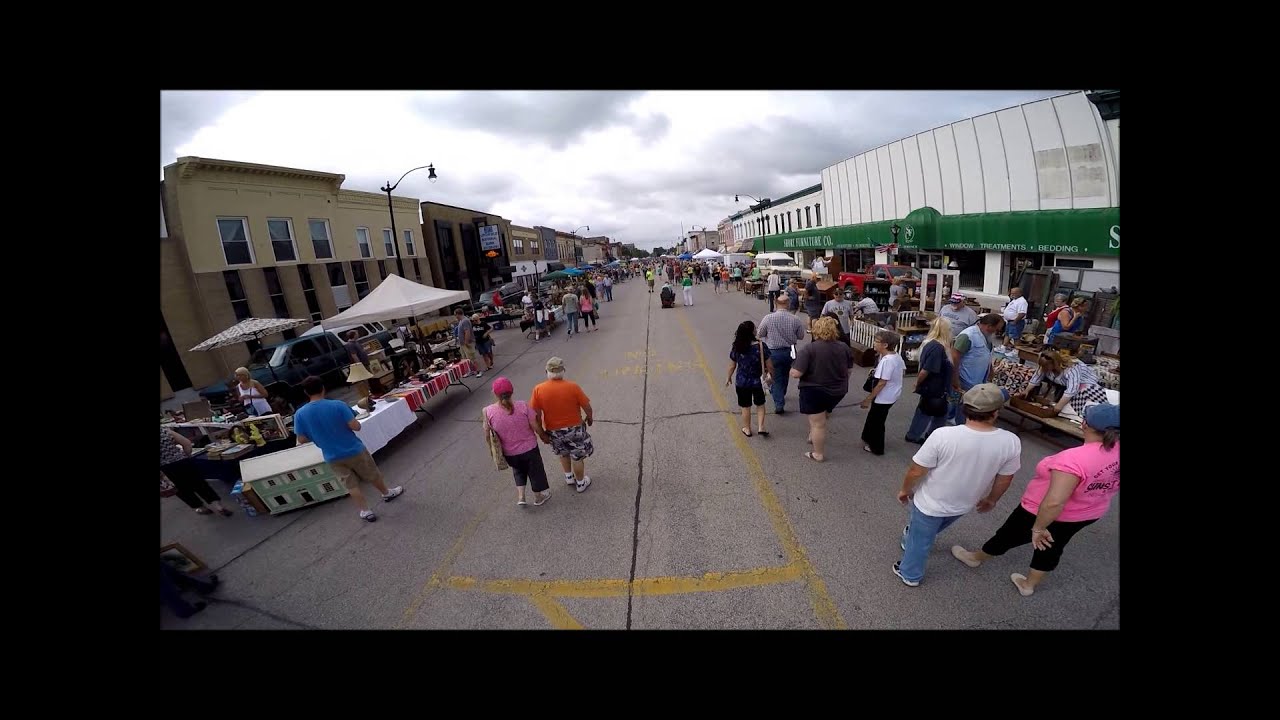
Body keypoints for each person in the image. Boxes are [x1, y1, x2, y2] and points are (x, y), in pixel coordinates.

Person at [951, 404, 1119, 596]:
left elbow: (1055, 501)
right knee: (1053, 546)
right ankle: (1028, 584)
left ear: (1084, 424)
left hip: (1040, 511)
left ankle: (975, 557)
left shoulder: (1074, 459)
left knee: (1009, 535)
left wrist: (1039, 527)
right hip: (1089, 511)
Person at [893, 384, 1022, 587]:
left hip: (930, 502)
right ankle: (913, 534)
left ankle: (910, 574)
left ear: (964, 408)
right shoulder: (1011, 441)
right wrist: (991, 500)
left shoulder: (944, 435)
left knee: (920, 542)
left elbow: (916, 470)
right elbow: (1005, 478)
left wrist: (905, 489)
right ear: (996, 412)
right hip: (964, 503)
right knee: (930, 529)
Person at [293, 375, 404, 522]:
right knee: (372, 474)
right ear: (323, 388)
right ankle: (386, 493)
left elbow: (301, 439)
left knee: (350, 484)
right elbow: (356, 426)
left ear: (306, 393)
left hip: (331, 455)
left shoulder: (300, 414)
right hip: (353, 449)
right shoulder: (337, 405)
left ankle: (365, 511)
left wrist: (316, 435)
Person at [483, 377, 552, 508]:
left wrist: (492, 451)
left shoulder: (488, 411)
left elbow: (487, 434)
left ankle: (521, 496)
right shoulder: (523, 406)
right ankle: (538, 497)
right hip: (530, 449)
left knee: (518, 470)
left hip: (510, 453)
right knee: (535, 471)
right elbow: (536, 426)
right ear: (512, 392)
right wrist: (544, 437)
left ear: (495, 394)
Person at [792, 317, 854, 462]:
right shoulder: (844, 347)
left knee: (818, 424)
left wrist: (791, 370)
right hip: (838, 391)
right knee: (822, 415)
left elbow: (796, 373)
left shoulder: (810, 349)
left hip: (814, 390)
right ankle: (812, 434)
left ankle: (818, 453)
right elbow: (849, 370)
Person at [530, 357, 595, 494]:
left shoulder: (538, 389)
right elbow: (587, 407)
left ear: (546, 371)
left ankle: (569, 477)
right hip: (574, 428)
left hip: (553, 431)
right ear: (563, 371)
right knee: (577, 457)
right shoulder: (573, 387)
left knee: (563, 453)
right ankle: (581, 483)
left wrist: (542, 434)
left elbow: (535, 415)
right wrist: (589, 418)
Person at [161, 427, 233, 517]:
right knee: (200, 484)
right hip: (182, 462)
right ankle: (218, 506)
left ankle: (201, 507)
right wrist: (186, 456)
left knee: (182, 491)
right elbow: (187, 443)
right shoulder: (164, 431)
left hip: (165, 469)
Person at [904, 316, 953, 444]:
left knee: (932, 412)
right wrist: (917, 383)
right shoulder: (938, 348)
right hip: (935, 387)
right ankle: (918, 435)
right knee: (929, 412)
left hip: (933, 386)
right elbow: (927, 369)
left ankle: (925, 434)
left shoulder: (930, 344)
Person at [1019, 349, 1111, 416]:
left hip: (1085, 384)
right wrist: (1026, 390)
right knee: (1059, 401)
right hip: (1064, 383)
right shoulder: (1045, 366)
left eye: (1046, 366)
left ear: (1054, 364)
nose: (1043, 369)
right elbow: (1036, 377)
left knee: (1069, 403)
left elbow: (1071, 390)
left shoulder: (1072, 368)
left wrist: (1057, 408)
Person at [950, 314, 1004, 424]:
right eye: (996, 329)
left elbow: (987, 354)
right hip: (966, 378)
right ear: (989, 326)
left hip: (977, 379)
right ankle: (960, 426)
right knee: (964, 405)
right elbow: (954, 357)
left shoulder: (987, 337)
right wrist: (955, 378)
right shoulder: (968, 336)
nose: (997, 332)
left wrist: (990, 370)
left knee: (963, 404)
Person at [860, 330, 905, 455]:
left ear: (885, 345)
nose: (874, 343)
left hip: (884, 396)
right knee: (874, 417)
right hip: (892, 394)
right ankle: (867, 436)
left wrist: (868, 399)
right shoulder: (896, 357)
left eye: (877, 341)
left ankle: (877, 447)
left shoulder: (887, 361)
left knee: (877, 422)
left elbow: (882, 383)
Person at [758, 300, 808, 415]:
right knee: (785, 374)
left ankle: (779, 403)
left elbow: (760, 333)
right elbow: (801, 336)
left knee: (775, 376)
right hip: (790, 350)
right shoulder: (795, 319)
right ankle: (781, 393)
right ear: (788, 304)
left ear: (776, 304)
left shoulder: (768, 318)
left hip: (773, 351)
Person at [726, 321, 773, 438]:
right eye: (755, 328)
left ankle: (747, 429)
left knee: (745, 406)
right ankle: (761, 427)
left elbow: (732, 365)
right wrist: (772, 375)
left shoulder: (737, 347)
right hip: (758, 382)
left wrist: (728, 377)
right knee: (760, 404)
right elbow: (770, 364)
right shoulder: (761, 346)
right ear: (752, 332)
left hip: (742, 382)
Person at [453, 308, 482, 378]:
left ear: (458, 314)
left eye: (455, 315)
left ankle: (478, 371)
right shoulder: (461, 321)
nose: (455, 316)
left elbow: (467, 332)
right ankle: (471, 370)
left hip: (467, 343)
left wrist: (466, 341)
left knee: (472, 357)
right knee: (465, 358)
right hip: (462, 343)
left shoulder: (465, 321)